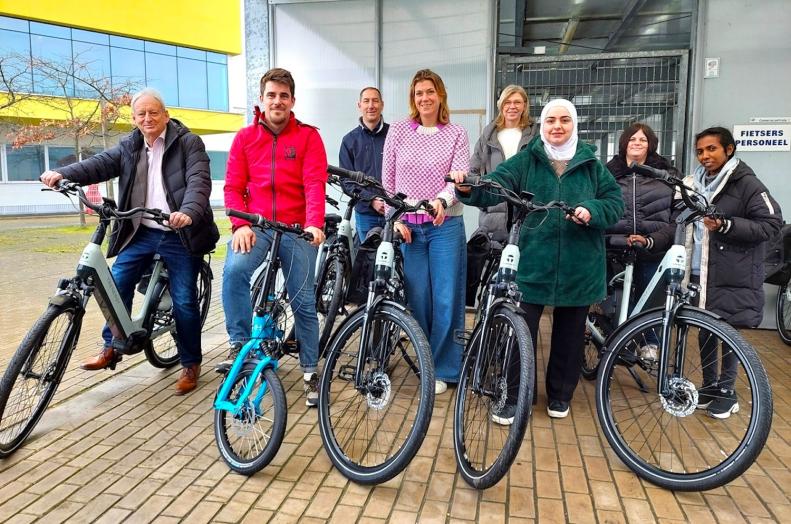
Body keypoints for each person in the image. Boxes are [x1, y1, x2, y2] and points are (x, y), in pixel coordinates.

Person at [40, 87, 218, 395]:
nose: (147, 118)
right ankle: (113, 346)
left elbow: (198, 182)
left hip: (179, 233)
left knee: (185, 302)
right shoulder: (130, 146)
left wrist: (188, 212)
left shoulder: (189, 143)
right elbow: (97, 164)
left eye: (153, 112)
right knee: (115, 285)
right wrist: (60, 173)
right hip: (142, 230)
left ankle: (190, 363)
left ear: (166, 115)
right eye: (141, 114)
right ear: (134, 119)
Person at [455, 98, 624, 421]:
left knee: (570, 336)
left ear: (574, 125)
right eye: (550, 121)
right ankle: (517, 396)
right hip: (533, 261)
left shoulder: (592, 165)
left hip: (580, 263)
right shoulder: (526, 161)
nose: (557, 127)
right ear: (542, 126)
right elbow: (495, 187)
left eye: (564, 120)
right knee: (520, 332)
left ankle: (561, 395)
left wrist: (593, 210)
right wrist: (469, 188)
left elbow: (614, 202)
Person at [648, 126, 782, 419]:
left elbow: (771, 224)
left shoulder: (748, 185)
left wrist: (727, 225)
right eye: (700, 151)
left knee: (729, 331)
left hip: (731, 272)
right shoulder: (693, 183)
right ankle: (708, 387)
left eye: (712, 149)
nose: (705, 156)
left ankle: (726, 391)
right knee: (705, 331)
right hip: (697, 272)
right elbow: (677, 221)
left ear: (729, 149)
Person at [222, 67, 327, 407]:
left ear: (292, 100)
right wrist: (240, 225)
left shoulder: (309, 137)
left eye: (284, 95)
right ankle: (240, 345)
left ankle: (311, 371)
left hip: (297, 227)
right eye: (272, 95)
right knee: (235, 271)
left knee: (303, 301)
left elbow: (314, 185)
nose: (277, 101)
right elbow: (233, 188)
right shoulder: (244, 138)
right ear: (262, 99)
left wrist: (314, 224)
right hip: (257, 225)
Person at [382, 69, 469, 395]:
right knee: (419, 299)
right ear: (413, 98)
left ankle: (445, 368)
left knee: (446, 298)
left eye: (430, 91)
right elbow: (388, 181)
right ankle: (426, 359)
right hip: (410, 230)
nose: (424, 98)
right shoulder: (400, 132)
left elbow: (458, 180)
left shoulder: (456, 134)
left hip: (444, 226)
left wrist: (442, 201)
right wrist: (395, 218)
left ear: (440, 95)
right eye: (418, 93)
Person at [605, 123, 678, 360]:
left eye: (643, 140)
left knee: (649, 294)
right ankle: (611, 339)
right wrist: (616, 238)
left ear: (651, 144)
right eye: (633, 139)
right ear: (624, 143)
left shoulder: (666, 174)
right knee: (608, 297)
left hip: (652, 246)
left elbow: (676, 217)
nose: (637, 143)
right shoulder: (607, 173)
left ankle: (650, 341)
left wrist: (651, 240)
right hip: (615, 246)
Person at [469, 84, 537, 243]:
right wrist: (483, 203)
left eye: (517, 102)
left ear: (524, 105)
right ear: (501, 105)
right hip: (494, 213)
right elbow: (474, 170)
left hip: (526, 211)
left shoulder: (535, 137)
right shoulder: (488, 136)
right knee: (494, 263)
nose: (512, 106)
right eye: (507, 102)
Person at [339, 86, 389, 242]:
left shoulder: (394, 135)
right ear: (359, 105)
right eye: (366, 101)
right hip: (365, 214)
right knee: (367, 262)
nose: (371, 105)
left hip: (395, 213)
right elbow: (346, 181)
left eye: (375, 101)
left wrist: (391, 203)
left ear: (382, 104)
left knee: (397, 261)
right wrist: (371, 200)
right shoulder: (349, 140)